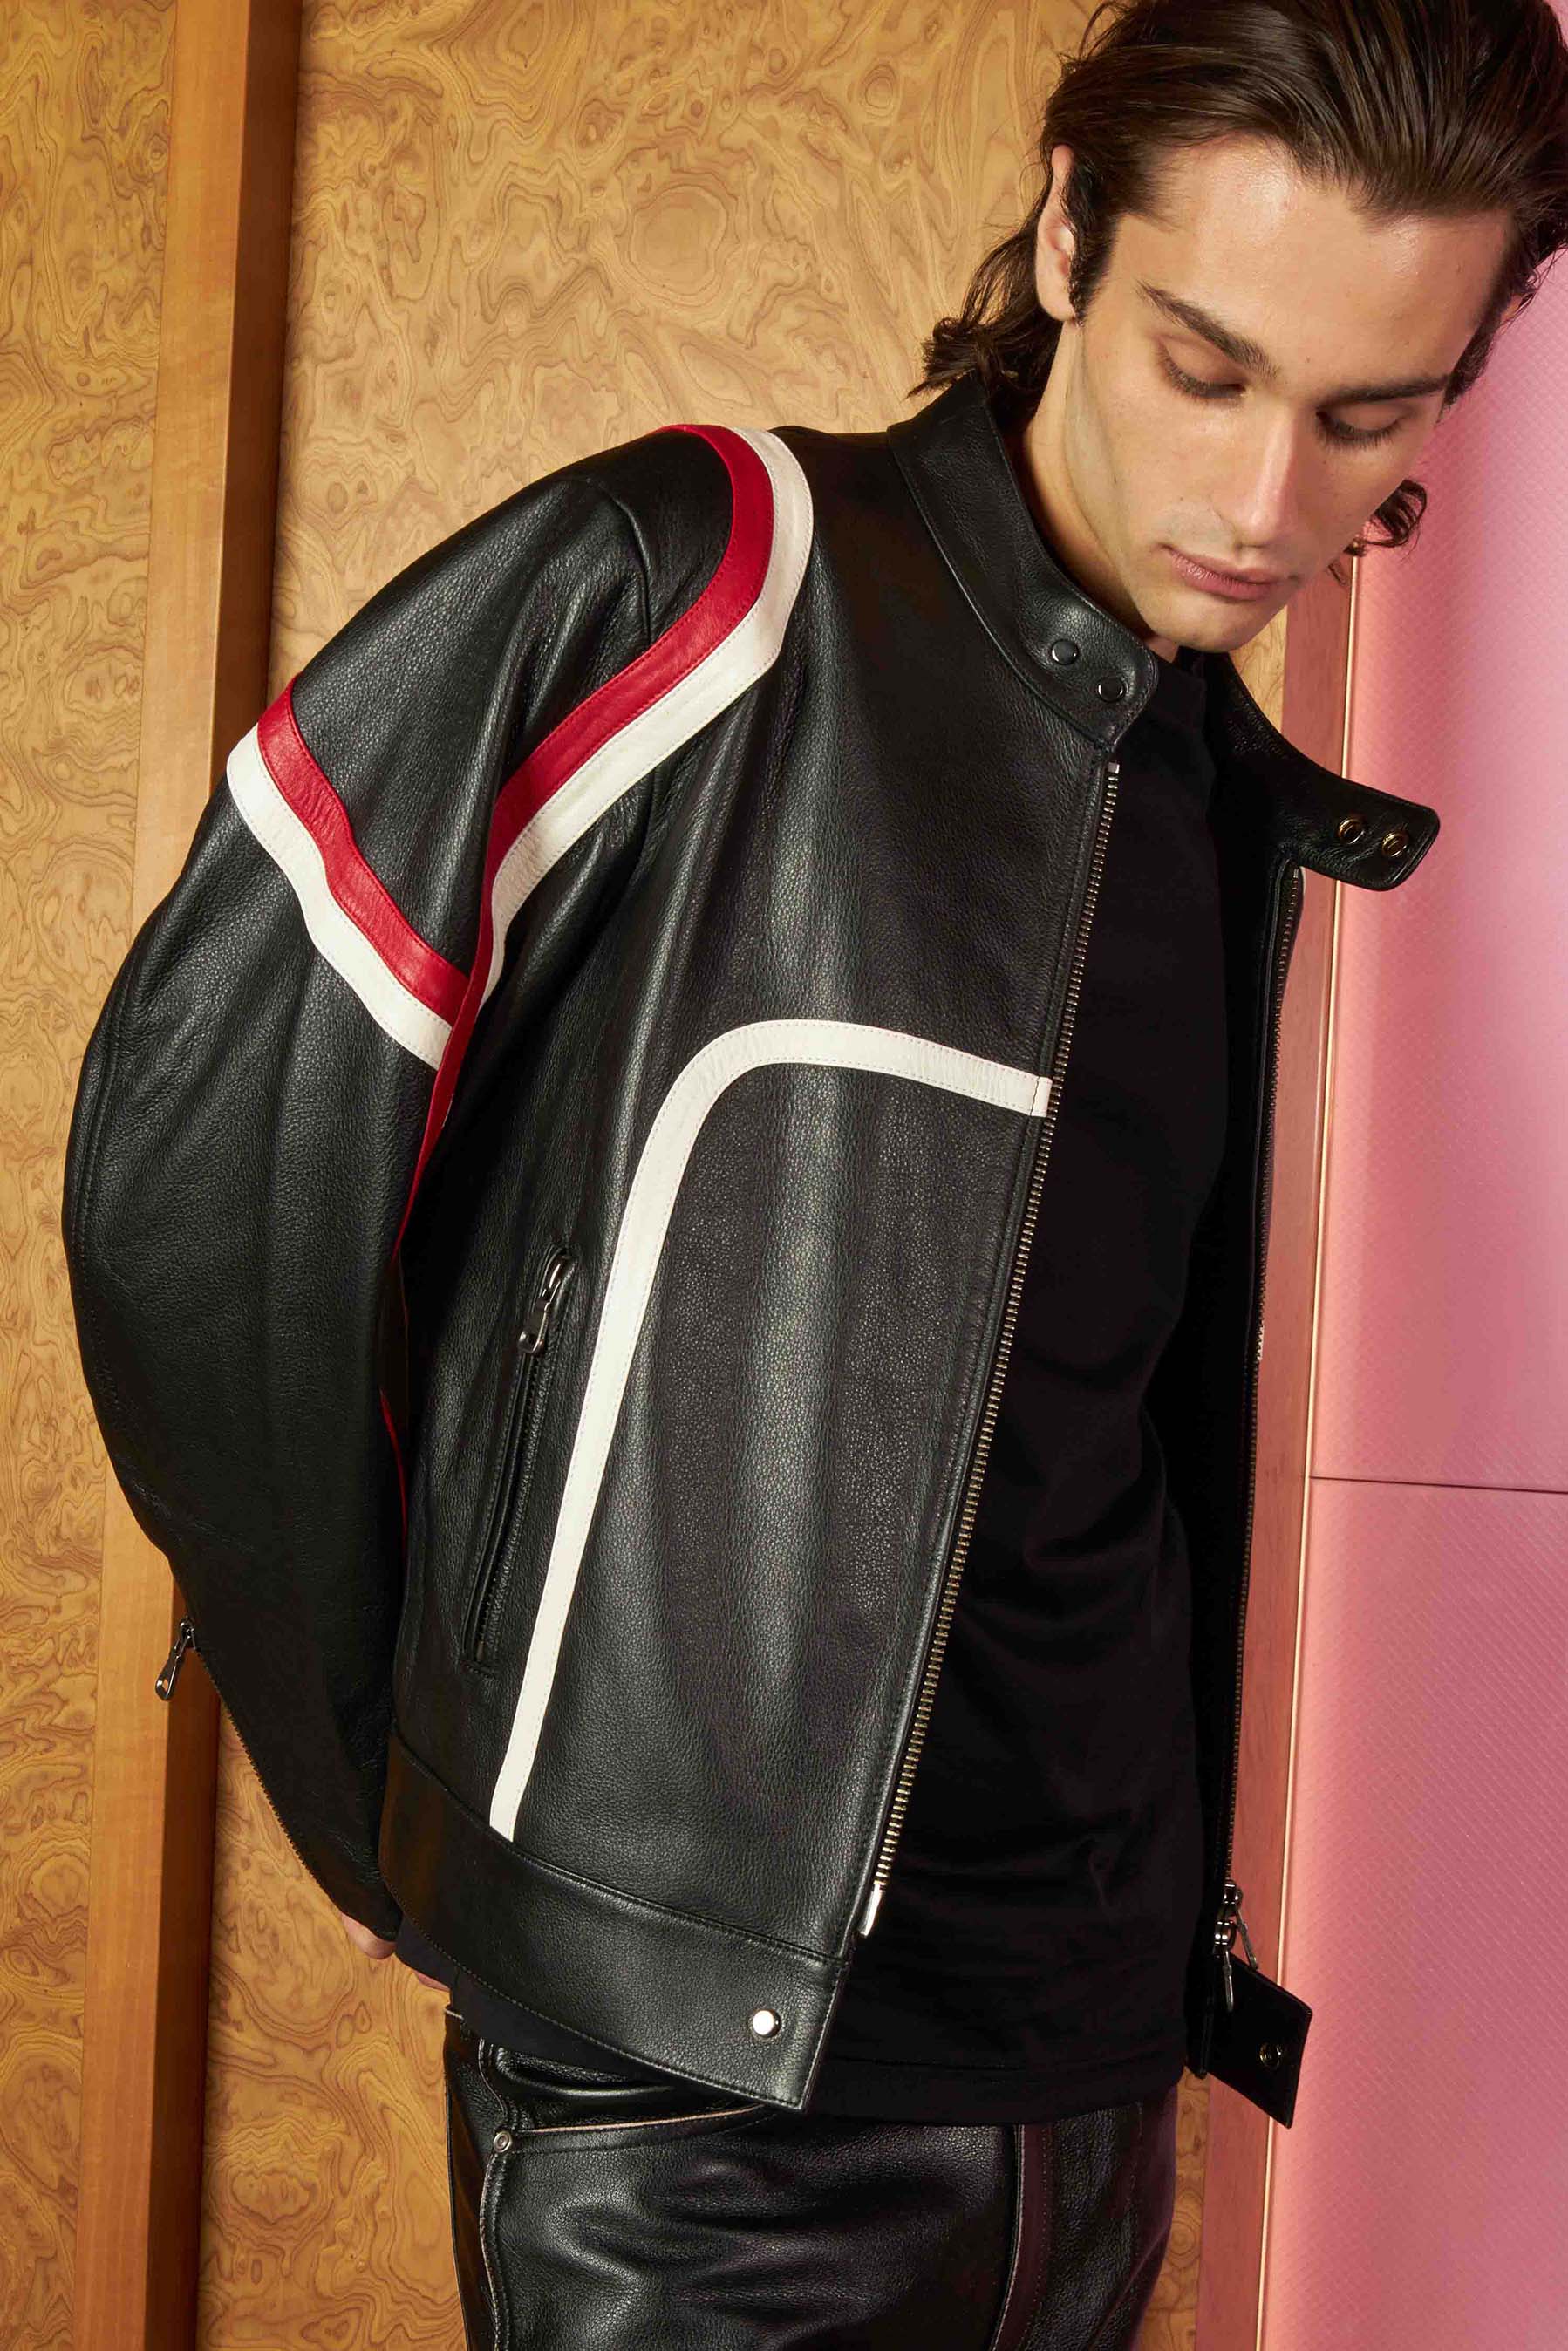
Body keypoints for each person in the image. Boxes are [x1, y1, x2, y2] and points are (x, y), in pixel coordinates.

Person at [61, 1, 1565, 2342]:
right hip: (696, 2134)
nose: (1273, 500)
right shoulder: (703, 581)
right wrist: (398, 1791)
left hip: (1089, 2080)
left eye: (1370, 416)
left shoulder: (1212, 787)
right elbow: (193, 1183)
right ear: (1069, 235)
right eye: (1207, 366)